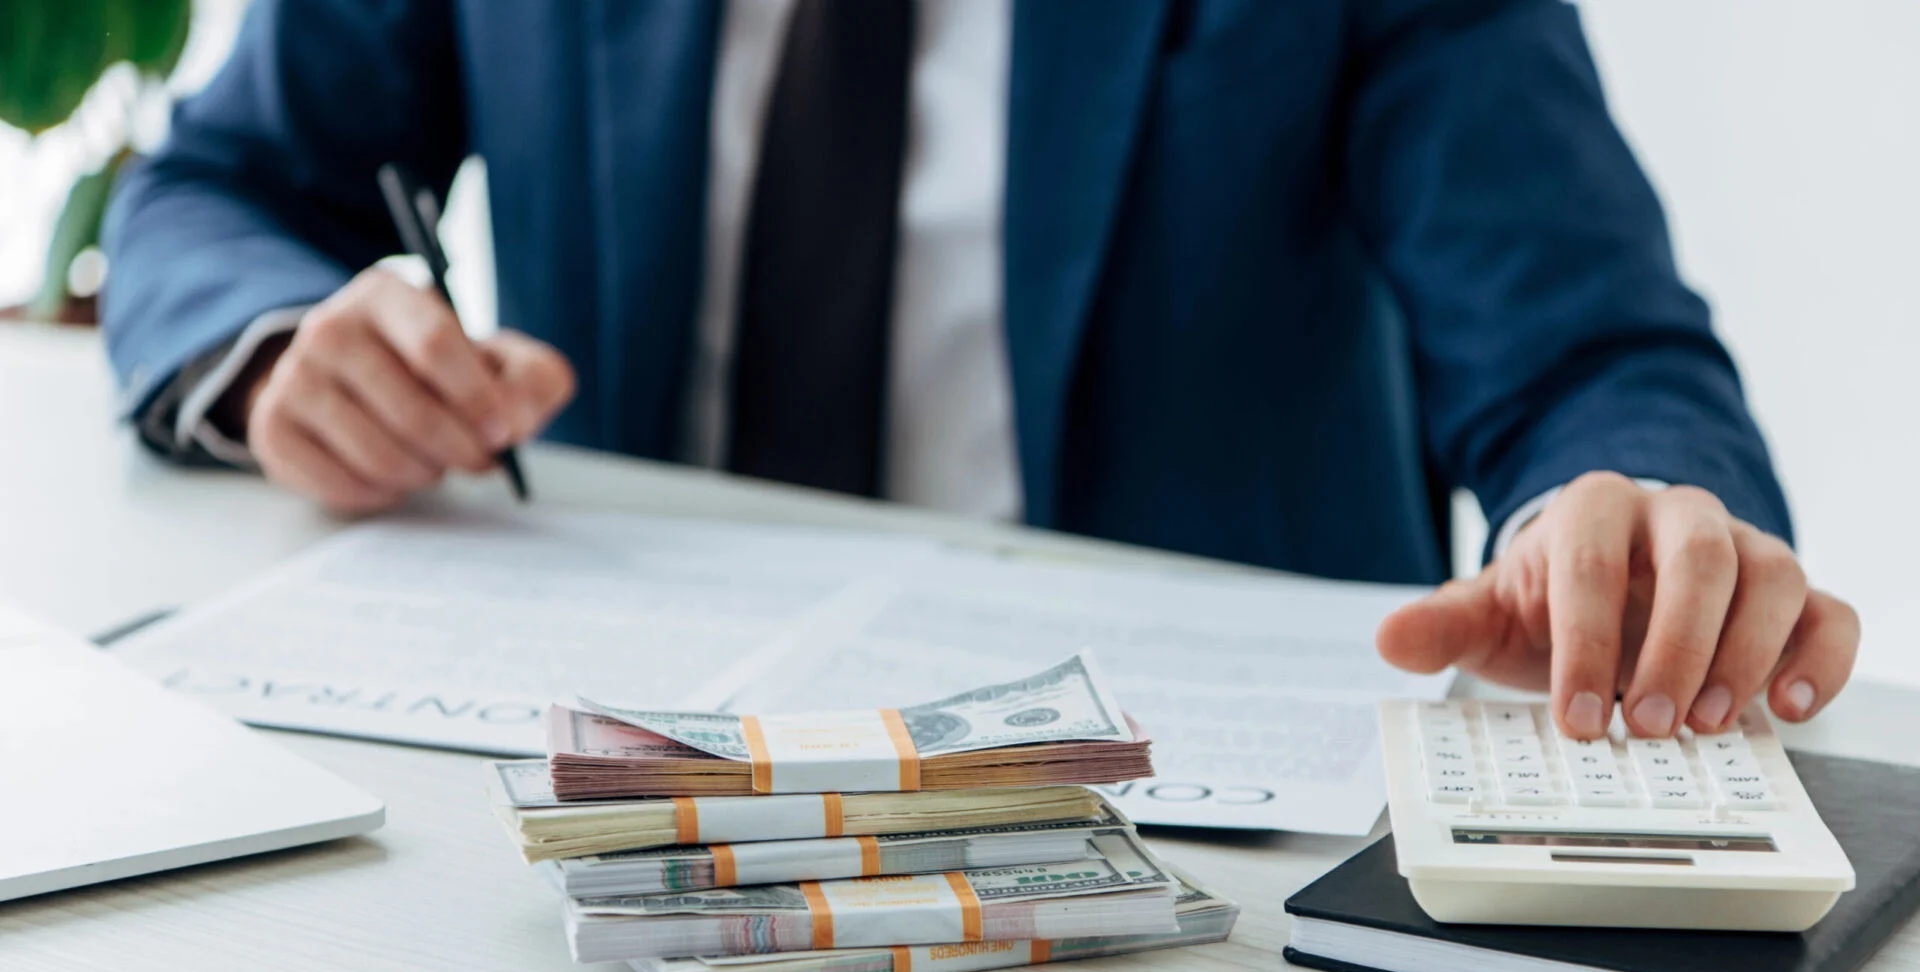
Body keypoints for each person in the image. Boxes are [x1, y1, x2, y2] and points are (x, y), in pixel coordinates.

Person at [101, 0, 1858, 742]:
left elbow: (1592, 351)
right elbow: (223, 186)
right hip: (625, 774)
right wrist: (281, 361)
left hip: (1190, 830)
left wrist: (1619, 518)